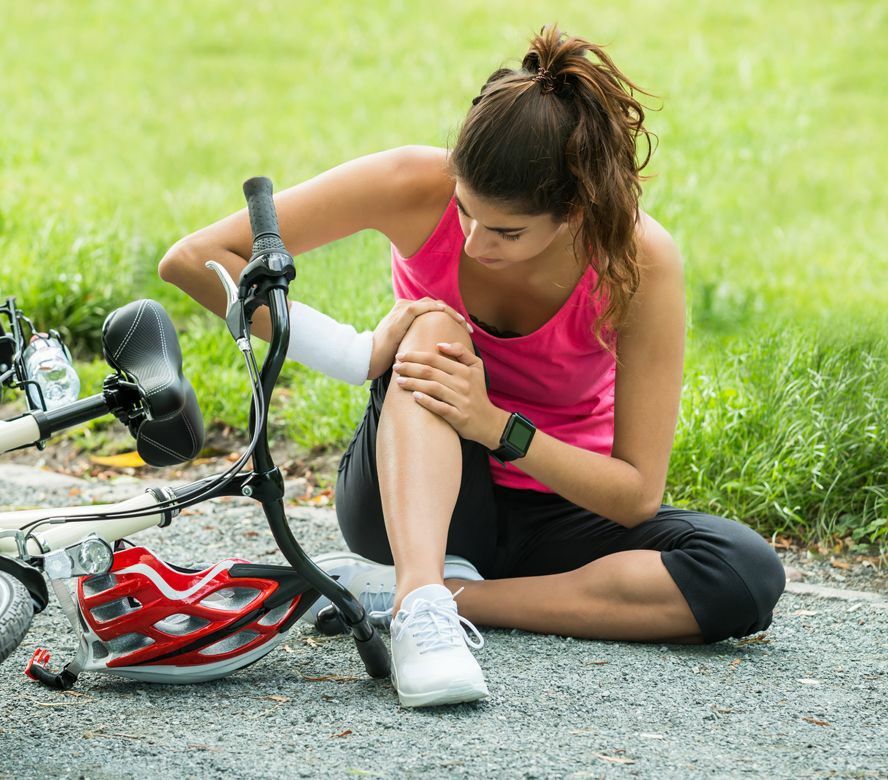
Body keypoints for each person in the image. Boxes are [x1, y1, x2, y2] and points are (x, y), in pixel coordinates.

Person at [158, 25, 787, 709]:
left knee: (744, 574)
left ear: (574, 212)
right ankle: (421, 600)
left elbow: (635, 494)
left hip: (559, 511)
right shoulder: (412, 182)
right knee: (432, 326)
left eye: (506, 232)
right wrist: (358, 352)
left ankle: (441, 598)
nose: (473, 242)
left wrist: (495, 425)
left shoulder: (638, 260)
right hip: (419, 498)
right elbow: (197, 259)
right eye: (464, 212)